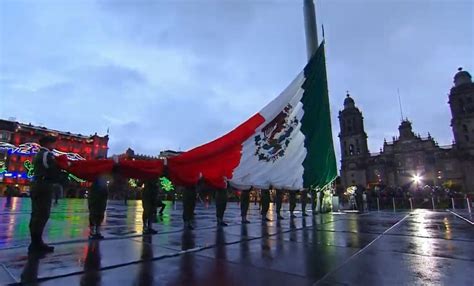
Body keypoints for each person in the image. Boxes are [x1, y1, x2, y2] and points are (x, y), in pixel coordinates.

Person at [28, 135, 60, 253]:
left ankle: (35, 242)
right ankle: (36, 243)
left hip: (37, 184)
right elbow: (52, 169)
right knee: (42, 214)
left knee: (36, 213)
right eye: (53, 143)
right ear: (48, 143)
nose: (54, 146)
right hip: (43, 185)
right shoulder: (47, 155)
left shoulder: (38, 154)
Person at [88, 164, 110, 239]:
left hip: (101, 197)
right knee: (93, 214)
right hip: (95, 196)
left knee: (100, 215)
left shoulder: (104, 177)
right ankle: (92, 232)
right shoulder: (95, 174)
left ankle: (97, 231)